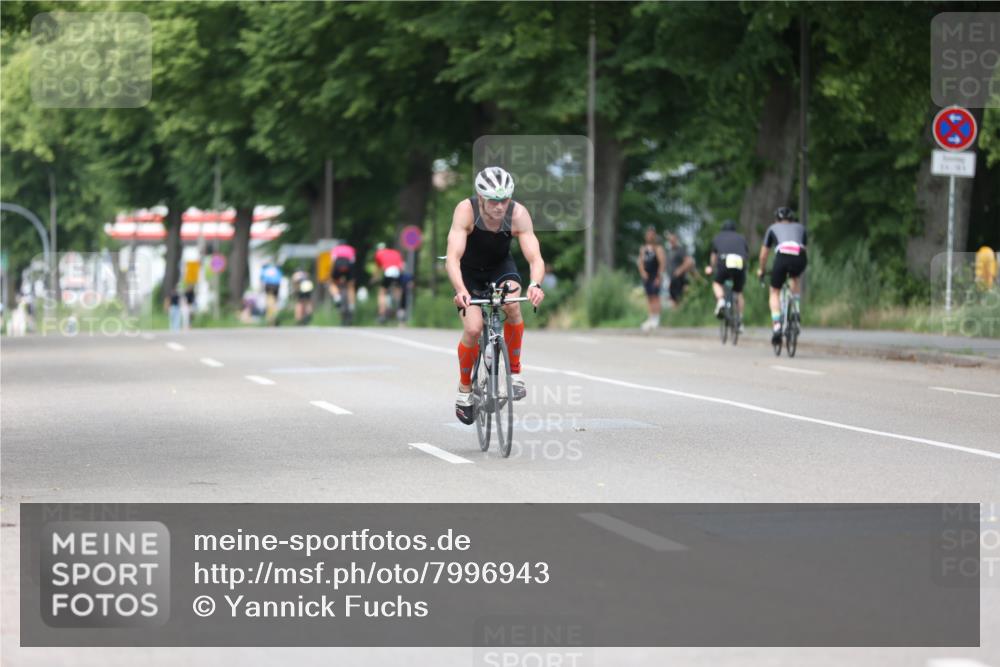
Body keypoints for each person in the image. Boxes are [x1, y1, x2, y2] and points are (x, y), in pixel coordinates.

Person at [446, 166, 546, 425]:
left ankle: (515, 374)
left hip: (500, 267)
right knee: (473, 327)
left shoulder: (518, 214)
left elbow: (535, 257)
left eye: (505, 200)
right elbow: (453, 258)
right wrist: (460, 291)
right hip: (468, 272)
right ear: (480, 198)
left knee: (512, 304)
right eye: (493, 201)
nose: (500, 206)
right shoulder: (465, 211)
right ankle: (465, 389)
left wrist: (535, 284)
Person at [757, 207, 808, 345]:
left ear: (776, 219)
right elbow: (805, 248)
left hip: (782, 257)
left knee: (774, 291)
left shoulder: (773, 228)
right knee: (794, 278)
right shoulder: (800, 227)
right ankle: (796, 308)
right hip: (799, 256)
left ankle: (777, 326)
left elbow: (763, 255)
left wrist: (761, 270)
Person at [705, 220, 749, 329]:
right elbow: (746, 254)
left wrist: (711, 267)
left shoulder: (718, 237)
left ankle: (721, 301)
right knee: (738, 292)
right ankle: (739, 320)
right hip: (739, 263)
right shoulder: (741, 238)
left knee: (717, 283)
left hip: (725, 262)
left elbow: (714, 257)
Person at [636, 226, 666, 331]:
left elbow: (662, 264)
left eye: (651, 234)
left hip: (655, 275)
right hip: (647, 277)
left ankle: (656, 319)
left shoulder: (658, 248)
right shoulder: (643, 249)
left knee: (655, 297)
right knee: (649, 297)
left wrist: (659, 277)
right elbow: (640, 262)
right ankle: (650, 318)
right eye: (648, 234)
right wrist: (643, 272)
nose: (649, 236)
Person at [373, 242, 406, 323]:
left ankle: (382, 313)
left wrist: (374, 278)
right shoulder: (396, 253)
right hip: (397, 273)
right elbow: (402, 267)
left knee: (382, 293)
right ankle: (401, 312)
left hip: (388, 272)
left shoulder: (378, 253)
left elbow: (378, 268)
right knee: (398, 291)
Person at [328, 243, 357, 321]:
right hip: (349, 265)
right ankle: (351, 307)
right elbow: (353, 261)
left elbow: (332, 261)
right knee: (351, 287)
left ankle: (337, 297)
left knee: (332, 283)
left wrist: (332, 274)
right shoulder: (351, 248)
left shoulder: (335, 249)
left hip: (338, 264)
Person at [666, 233, 695, 308]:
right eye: (670, 240)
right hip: (672, 279)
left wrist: (680, 270)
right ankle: (676, 317)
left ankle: (681, 316)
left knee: (679, 299)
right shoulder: (669, 251)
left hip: (679, 279)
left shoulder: (680, 250)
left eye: (673, 239)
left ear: (676, 240)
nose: (671, 241)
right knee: (673, 299)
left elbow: (689, 261)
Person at [260, 261, 283, 326]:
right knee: (275, 302)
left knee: (269, 302)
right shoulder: (277, 269)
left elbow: (262, 279)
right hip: (276, 286)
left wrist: (261, 288)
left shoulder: (265, 269)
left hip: (268, 286)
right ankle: (274, 317)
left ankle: (270, 318)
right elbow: (279, 279)